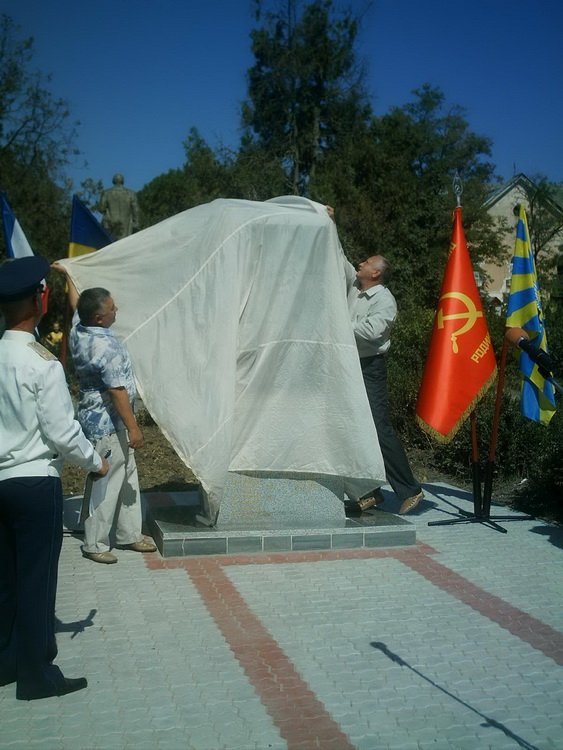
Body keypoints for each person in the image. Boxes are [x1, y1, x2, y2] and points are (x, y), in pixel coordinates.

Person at [0, 256, 109, 700]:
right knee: (36, 582)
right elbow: (62, 432)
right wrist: (95, 462)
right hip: (33, 482)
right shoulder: (41, 362)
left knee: (6, 579)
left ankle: (6, 661)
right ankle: (37, 675)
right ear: (38, 301)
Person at [52, 263, 156, 564]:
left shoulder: (81, 329)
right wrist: (134, 428)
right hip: (108, 423)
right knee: (106, 479)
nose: (116, 309)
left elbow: (77, 306)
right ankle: (95, 543)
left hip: (100, 418)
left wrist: (68, 274)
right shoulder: (105, 347)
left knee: (127, 477)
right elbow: (116, 390)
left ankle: (129, 534)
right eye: (112, 308)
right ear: (100, 317)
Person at [343, 251, 424, 515]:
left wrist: (338, 325)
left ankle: (410, 489)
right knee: (351, 428)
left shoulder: (384, 301)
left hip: (370, 368)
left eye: (366, 263)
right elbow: (339, 260)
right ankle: (368, 492)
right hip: (348, 365)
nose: (360, 263)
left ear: (376, 273)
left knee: (378, 428)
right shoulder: (354, 288)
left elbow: (371, 331)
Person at [99, 173, 139, 239]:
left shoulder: (106, 193)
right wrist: (136, 222)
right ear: (123, 181)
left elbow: (101, 209)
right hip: (126, 224)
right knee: (125, 242)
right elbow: (136, 210)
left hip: (110, 223)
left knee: (111, 243)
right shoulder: (131, 193)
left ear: (113, 181)